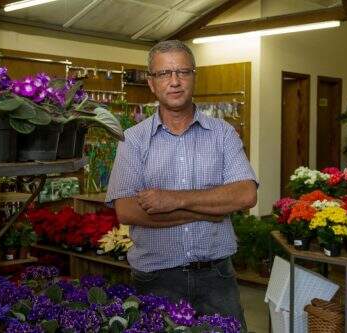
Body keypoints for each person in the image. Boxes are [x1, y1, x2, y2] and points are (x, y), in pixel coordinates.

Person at [106, 39, 259, 332]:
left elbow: (245, 194)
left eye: (183, 72)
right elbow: (127, 211)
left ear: (194, 77)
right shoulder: (133, 139)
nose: (174, 81)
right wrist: (208, 210)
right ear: (152, 83)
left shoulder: (223, 133)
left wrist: (173, 200)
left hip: (218, 277)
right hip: (156, 280)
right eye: (164, 74)